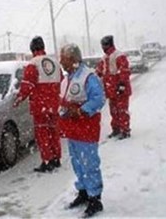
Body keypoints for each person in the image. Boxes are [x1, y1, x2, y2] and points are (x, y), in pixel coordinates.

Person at [58, 43, 105, 218]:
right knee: (77, 162)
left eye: (63, 59)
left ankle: (95, 198)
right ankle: (84, 191)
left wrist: (80, 110)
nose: (61, 62)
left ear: (73, 59)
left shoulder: (88, 76)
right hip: (72, 130)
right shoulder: (68, 77)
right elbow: (64, 100)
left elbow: (98, 99)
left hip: (86, 128)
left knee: (89, 162)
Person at [13, 36, 62, 172]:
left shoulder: (33, 64)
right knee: (53, 132)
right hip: (54, 105)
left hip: (40, 106)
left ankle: (47, 161)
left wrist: (18, 99)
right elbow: (61, 81)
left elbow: (27, 85)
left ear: (32, 49)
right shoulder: (54, 62)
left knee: (42, 134)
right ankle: (57, 158)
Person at [96, 35, 132, 140]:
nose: (103, 47)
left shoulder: (119, 56)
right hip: (111, 91)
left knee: (122, 110)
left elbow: (124, 71)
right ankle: (116, 129)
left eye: (104, 45)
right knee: (114, 111)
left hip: (120, 90)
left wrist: (121, 85)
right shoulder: (104, 58)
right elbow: (99, 71)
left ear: (109, 44)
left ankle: (125, 130)